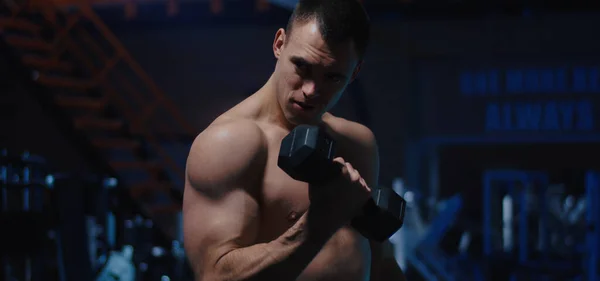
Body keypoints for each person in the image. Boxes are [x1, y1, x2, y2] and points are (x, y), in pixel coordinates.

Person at [183, 0, 406, 280]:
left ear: (354, 73)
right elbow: (215, 276)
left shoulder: (357, 142)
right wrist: (319, 221)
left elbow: (381, 261)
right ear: (279, 44)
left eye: (333, 77)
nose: (312, 90)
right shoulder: (230, 144)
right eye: (302, 67)